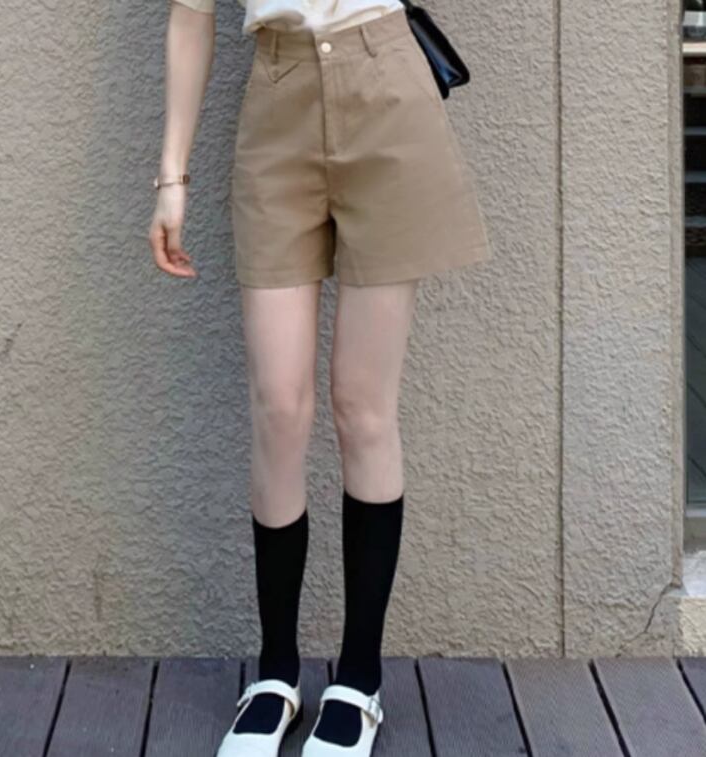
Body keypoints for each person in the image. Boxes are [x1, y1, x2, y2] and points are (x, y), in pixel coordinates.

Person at [148, 0, 491, 753]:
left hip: (386, 88)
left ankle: (359, 680)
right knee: (279, 404)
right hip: (277, 99)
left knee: (363, 405)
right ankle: (276, 674)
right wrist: (171, 177)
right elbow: (189, 14)